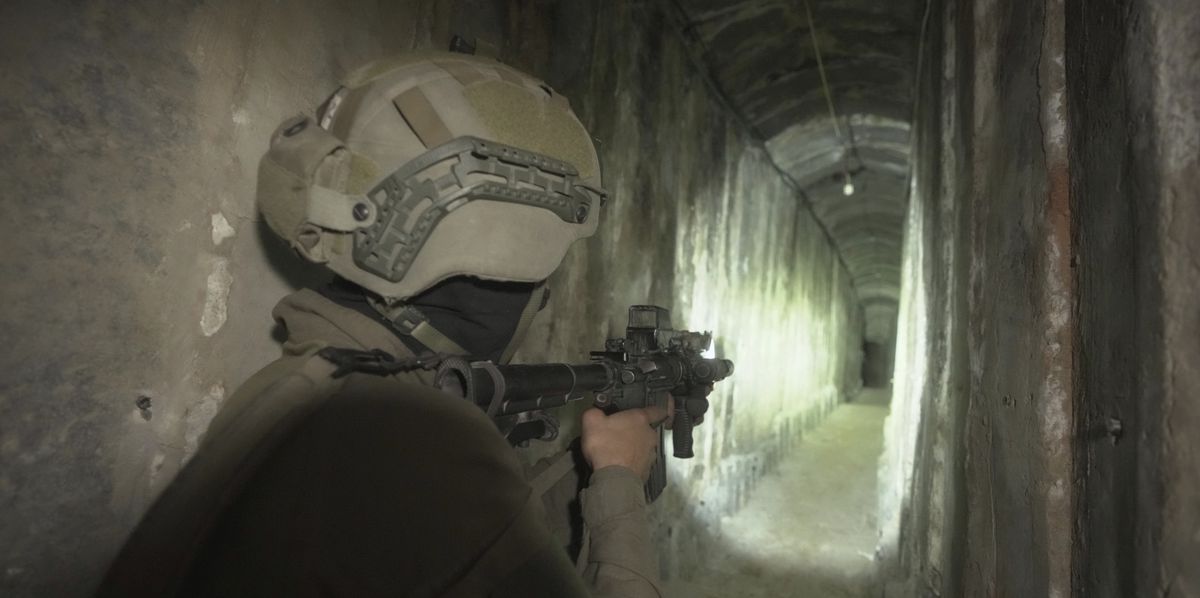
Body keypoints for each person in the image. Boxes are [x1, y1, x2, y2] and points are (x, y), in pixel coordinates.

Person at [97, 51, 667, 597]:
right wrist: (619, 482)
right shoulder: (414, 438)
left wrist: (586, 466)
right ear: (497, 278)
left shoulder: (311, 391)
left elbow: (464, 554)